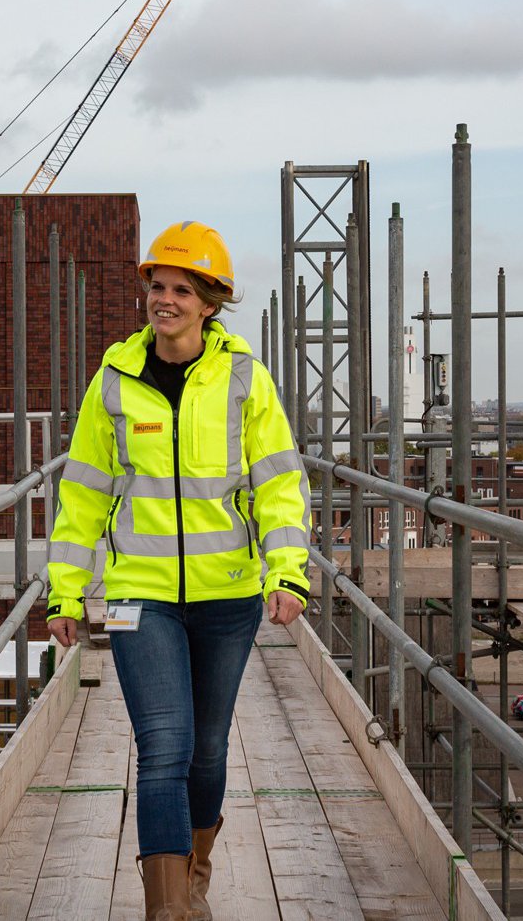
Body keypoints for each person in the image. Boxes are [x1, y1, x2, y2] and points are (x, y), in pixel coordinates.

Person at [46, 220, 311, 921]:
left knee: (208, 749)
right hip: (139, 596)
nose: (164, 299)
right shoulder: (114, 381)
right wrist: (65, 591)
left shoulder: (245, 380)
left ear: (210, 301)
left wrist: (288, 572)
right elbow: (83, 496)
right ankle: (169, 909)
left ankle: (195, 870)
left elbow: (278, 484)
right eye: (156, 286)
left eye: (181, 289)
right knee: (164, 742)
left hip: (228, 596)